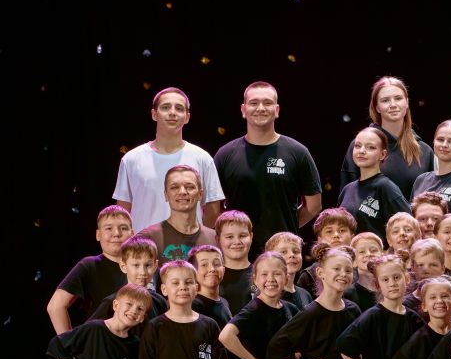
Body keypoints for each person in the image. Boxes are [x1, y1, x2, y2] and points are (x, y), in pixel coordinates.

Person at [214, 81, 322, 256]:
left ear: (277, 110)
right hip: (238, 253)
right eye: (254, 103)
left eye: (267, 103)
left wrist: (286, 229)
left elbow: (314, 206)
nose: (261, 108)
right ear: (243, 110)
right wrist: (232, 235)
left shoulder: (298, 152)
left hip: (283, 254)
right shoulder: (225, 154)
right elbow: (213, 209)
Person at [114, 87, 225, 232]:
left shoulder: (202, 158)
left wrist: (194, 237)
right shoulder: (132, 159)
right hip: (143, 245)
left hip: (190, 245)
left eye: (179, 108)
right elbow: (123, 212)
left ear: (187, 117)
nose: (172, 112)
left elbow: (213, 211)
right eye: (165, 107)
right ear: (154, 114)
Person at [340, 76, 432, 200]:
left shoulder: (425, 152)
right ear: (377, 107)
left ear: (407, 102)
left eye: (398, 98)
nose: (393, 105)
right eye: (385, 100)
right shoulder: (361, 146)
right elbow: (347, 199)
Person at [47, 206, 131, 333]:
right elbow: (55, 306)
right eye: (109, 228)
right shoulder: (90, 265)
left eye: (123, 228)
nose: (116, 233)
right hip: (100, 341)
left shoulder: (144, 266)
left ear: (133, 233)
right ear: (98, 235)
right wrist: (69, 343)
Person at [338, 127, 411, 245]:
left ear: (382, 154)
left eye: (370, 147)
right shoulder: (347, 189)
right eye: (357, 146)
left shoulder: (386, 187)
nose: (362, 151)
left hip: (377, 255)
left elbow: (409, 226)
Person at [389, 276, 451, 359]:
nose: (439, 301)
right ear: (424, 306)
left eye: (444, 296)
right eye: (433, 297)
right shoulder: (420, 338)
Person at [139, 165, 218, 266]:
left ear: (200, 194)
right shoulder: (147, 238)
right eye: (174, 187)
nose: (182, 192)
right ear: (166, 195)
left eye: (189, 187)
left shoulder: (216, 238)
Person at [89, 235, 167, 320]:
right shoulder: (112, 302)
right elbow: (90, 327)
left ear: (155, 266)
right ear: (123, 266)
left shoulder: (159, 301)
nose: (143, 272)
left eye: (148, 265)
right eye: (136, 265)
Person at [297, 207, 357, 297]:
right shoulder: (308, 276)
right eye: (329, 231)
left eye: (342, 230)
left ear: (352, 238)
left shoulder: (361, 272)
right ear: (319, 240)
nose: (336, 235)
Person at [214, 210, 255, 315]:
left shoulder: (261, 274)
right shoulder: (212, 276)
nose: (237, 242)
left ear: (251, 237)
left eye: (242, 236)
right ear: (218, 239)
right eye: (229, 237)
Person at [265, 232, 313, 310]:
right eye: (283, 252)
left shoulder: (305, 295)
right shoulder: (266, 294)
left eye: (296, 251)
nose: (292, 255)